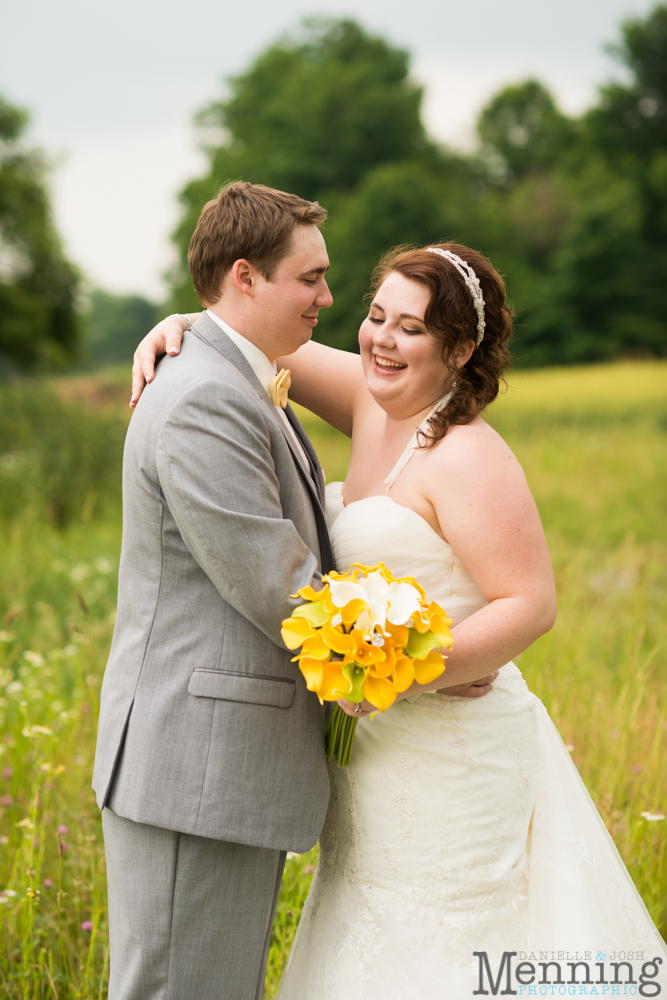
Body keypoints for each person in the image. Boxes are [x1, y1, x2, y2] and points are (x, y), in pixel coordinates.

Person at [135, 236, 667, 996]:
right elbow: (240, 338)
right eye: (376, 316)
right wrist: (176, 325)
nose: (381, 340)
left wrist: (403, 672)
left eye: (409, 328)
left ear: (457, 348)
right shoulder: (366, 392)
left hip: (454, 754)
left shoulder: (466, 454)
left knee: (448, 942)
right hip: (374, 759)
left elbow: (531, 603)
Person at [95, 182, 497, 1000]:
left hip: (218, 768)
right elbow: (281, 587)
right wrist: (412, 659)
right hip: (195, 771)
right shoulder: (205, 394)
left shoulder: (235, 371)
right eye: (310, 278)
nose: (327, 298)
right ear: (245, 277)